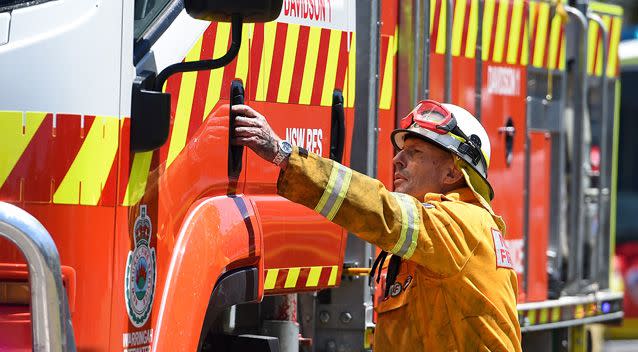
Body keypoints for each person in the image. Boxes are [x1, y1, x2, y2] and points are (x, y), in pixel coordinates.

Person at [231, 100, 522, 351]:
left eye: (415, 152)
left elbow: (383, 211)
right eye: (401, 151)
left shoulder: (464, 223)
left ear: (452, 172)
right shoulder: (436, 239)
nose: (397, 159)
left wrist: (286, 156)